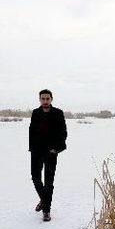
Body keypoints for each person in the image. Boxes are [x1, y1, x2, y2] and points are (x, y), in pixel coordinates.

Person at [28, 89, 67, 222]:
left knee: (49, 182)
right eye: (43, 99)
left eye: (47, 99)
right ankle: (44, 201)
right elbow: (31, 131)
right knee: (35, 177)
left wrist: (56, 149)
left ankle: (46, 211)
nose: (45, 101)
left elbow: (63, 133)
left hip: (51, 151)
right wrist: (32, 148)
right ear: (40, 99)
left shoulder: (58, 113)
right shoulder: (36, 113)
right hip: (37, 151)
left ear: (51, 99)